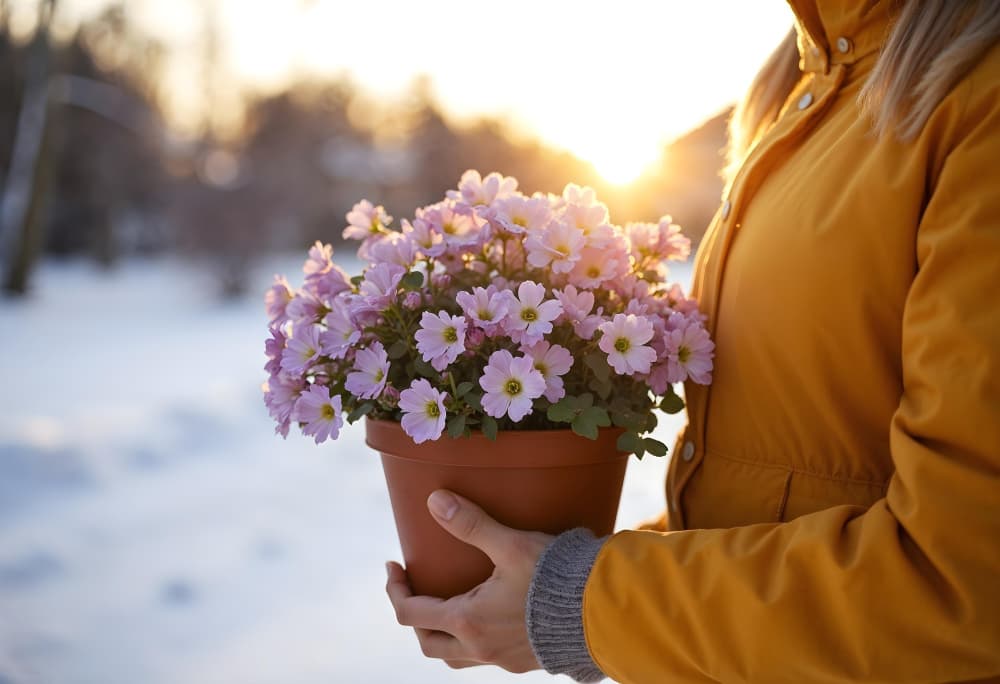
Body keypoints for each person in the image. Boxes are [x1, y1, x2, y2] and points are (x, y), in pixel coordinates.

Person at [385, 0, 1000, 681]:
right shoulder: (806, 84)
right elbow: (775, 490)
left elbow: (966, 577)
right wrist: (553, 580)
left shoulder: (978, 94)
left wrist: (584, 603)